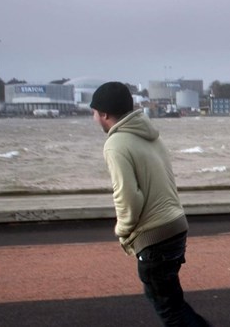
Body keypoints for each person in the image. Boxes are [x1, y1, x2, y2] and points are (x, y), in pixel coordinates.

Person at [90, 82, 209, 327]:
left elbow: (128, 196)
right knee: (171, 303)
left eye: (93, 112)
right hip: (176, 226)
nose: (93, 117)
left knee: (170, 310)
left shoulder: (116, 144)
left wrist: (122, 231)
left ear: (104, 114)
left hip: (155, 236)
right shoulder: (151, 136)